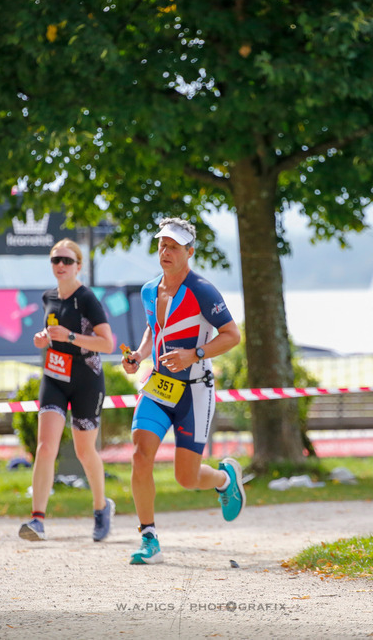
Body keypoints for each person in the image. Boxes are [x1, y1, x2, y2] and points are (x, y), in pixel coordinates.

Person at [121, 217, 243, 565]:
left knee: (186, 477)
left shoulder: (202, 290)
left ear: (190, 251)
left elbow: (232, 335)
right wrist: (139, 356)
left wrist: (195, 353)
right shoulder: (149, 290)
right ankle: (149, 537)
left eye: (174, 246)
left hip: (195, 390)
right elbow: (153, 330)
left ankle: (223, 478)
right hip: (158, 386)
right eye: (162, 244)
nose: (166, 251)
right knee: (140, 455)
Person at [19, 239, 117, 542]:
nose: (60, 265)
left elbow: (108, 344)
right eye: (55, 260)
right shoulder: (49, 297)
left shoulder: (87, 298)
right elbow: (51, 333)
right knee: (45, 447)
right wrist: (42, 339)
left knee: (84, 451)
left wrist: (72, 336)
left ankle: (102, 508)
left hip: (86, 378)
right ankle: (37, 520)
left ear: (78, 266)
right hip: (55, 377)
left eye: (66, 260)